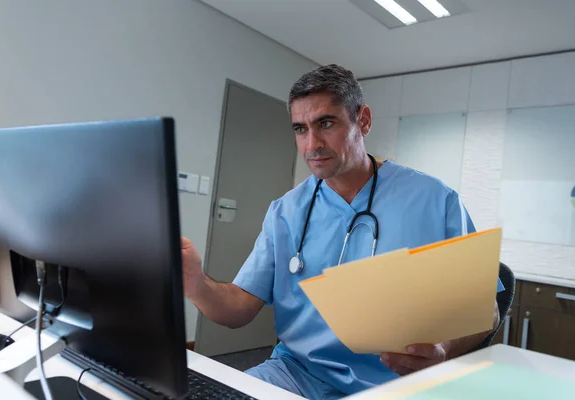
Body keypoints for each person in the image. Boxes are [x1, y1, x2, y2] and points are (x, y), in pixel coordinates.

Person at [181, 64, 503, 399]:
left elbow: (486, 310)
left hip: (396, 383)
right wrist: (196, 283)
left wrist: (445, 348)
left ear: (362, 121)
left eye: (326, 123)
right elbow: (238, 308)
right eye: (300, 129)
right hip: (295, 373)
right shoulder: (286, 211)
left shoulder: (435, 200)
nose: (312, 144)